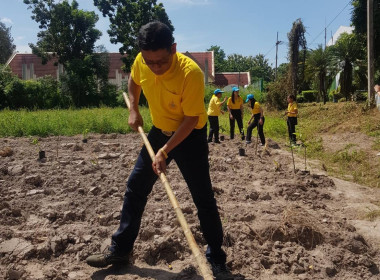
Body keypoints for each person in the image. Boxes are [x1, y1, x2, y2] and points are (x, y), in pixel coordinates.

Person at [85, 21, 233, 280]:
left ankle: (217, 259)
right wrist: (133, 108)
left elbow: (189, 120)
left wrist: (164, 150)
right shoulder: (142, 62)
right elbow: (133, 82)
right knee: (135, 188)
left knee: (203, 198)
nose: (155, 68)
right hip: (158, 132)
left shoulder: (191, 73)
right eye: (149, 62)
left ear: (173, 49)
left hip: (190, 136)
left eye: (161, 62)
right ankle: (120, 250)